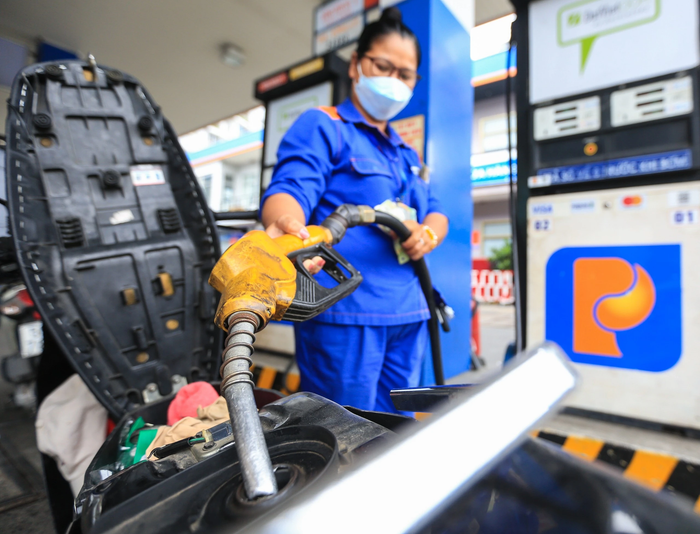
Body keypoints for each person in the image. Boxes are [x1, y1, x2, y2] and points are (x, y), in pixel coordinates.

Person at [261, 7, 448, 414]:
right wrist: (283, 224)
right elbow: (291, 188)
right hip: (347, 317)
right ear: (356, 65)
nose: (394, 80)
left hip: (409, 313)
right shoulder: (324, 126)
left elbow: (435, 210)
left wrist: (428, 234)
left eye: (405, 74)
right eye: (383, 67)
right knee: (345, 434)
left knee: (396, 431)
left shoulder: (407, 153)